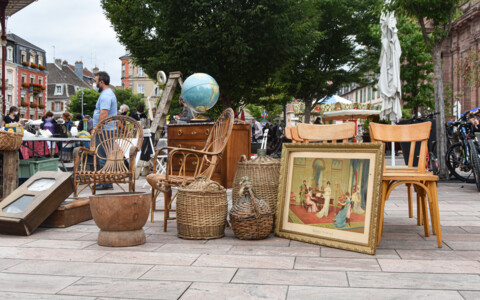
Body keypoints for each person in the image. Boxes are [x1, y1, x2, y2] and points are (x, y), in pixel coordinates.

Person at [93, 71, 118, 190]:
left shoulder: (106, 95)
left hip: (105, 130)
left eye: (95, 81)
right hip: (108, 129)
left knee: (102, 155)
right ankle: (107, 181)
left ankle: (105, 182)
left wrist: (97, 128)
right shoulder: (108, 93)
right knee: (105, 155)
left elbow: (104, 113)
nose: (94, 83)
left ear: (101, 82)